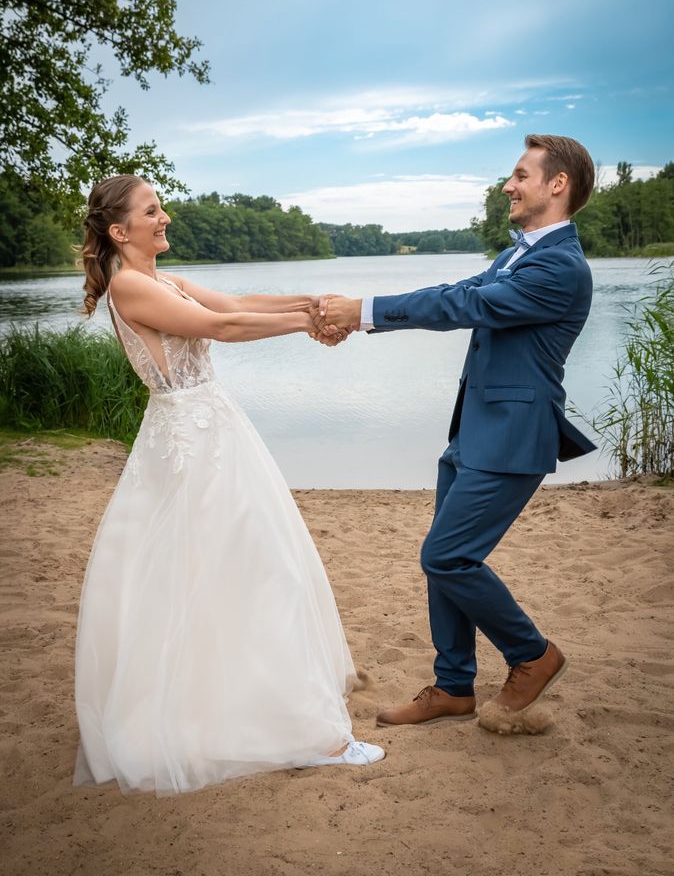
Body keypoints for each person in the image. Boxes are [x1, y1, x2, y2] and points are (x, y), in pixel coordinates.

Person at [73, 174, 382, 796]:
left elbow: (238, 305)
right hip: (194, 444)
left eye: (161, 208)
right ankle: (301, 730)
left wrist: (307, 303)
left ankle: (254, 704)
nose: (165, 218)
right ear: (119, 230)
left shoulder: (161, 279)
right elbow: (222, 329)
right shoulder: (131, 286)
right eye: (152, 211)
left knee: (235, 569)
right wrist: (305, 328)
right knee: (254, 568)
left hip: (213, 432)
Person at [313, 134, 597, 728]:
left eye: (520, 175)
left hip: (513, 437)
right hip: (474, 432)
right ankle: (452, 687)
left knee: (447, 556)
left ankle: (532, 654)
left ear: (557, 184)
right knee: (445, 559)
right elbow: (457, 293)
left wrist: (363, 310)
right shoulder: (521, 252)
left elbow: (460, 309)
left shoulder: (560, 267)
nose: (507, 186)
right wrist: (367, 319)